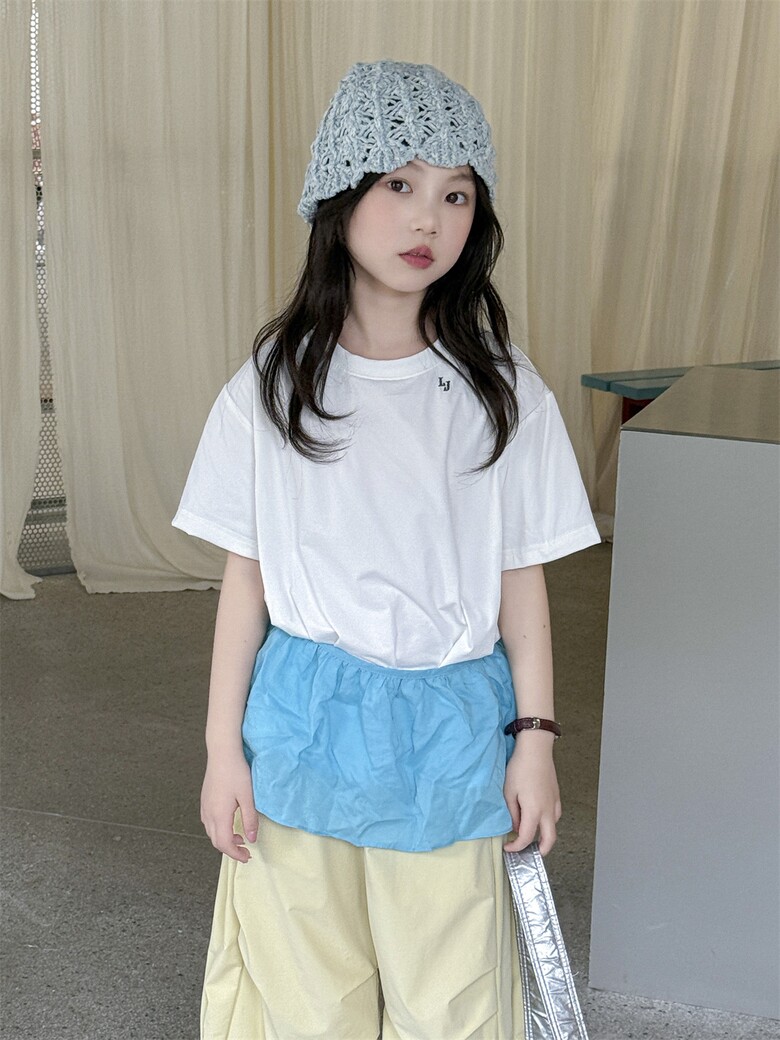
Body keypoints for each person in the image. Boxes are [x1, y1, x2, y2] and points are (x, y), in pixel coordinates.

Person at [173, 60, 600, 1040]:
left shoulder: (503, 391)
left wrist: (535, 739)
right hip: (302, 724)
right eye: (400, 183)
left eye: (456, 194)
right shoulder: (273, 384)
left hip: (451, 732)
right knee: (303, 992)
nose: (427, 219)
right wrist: (222, 750)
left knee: (450, 995)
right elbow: (248, 580)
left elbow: (520, 580)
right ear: (340, 194)